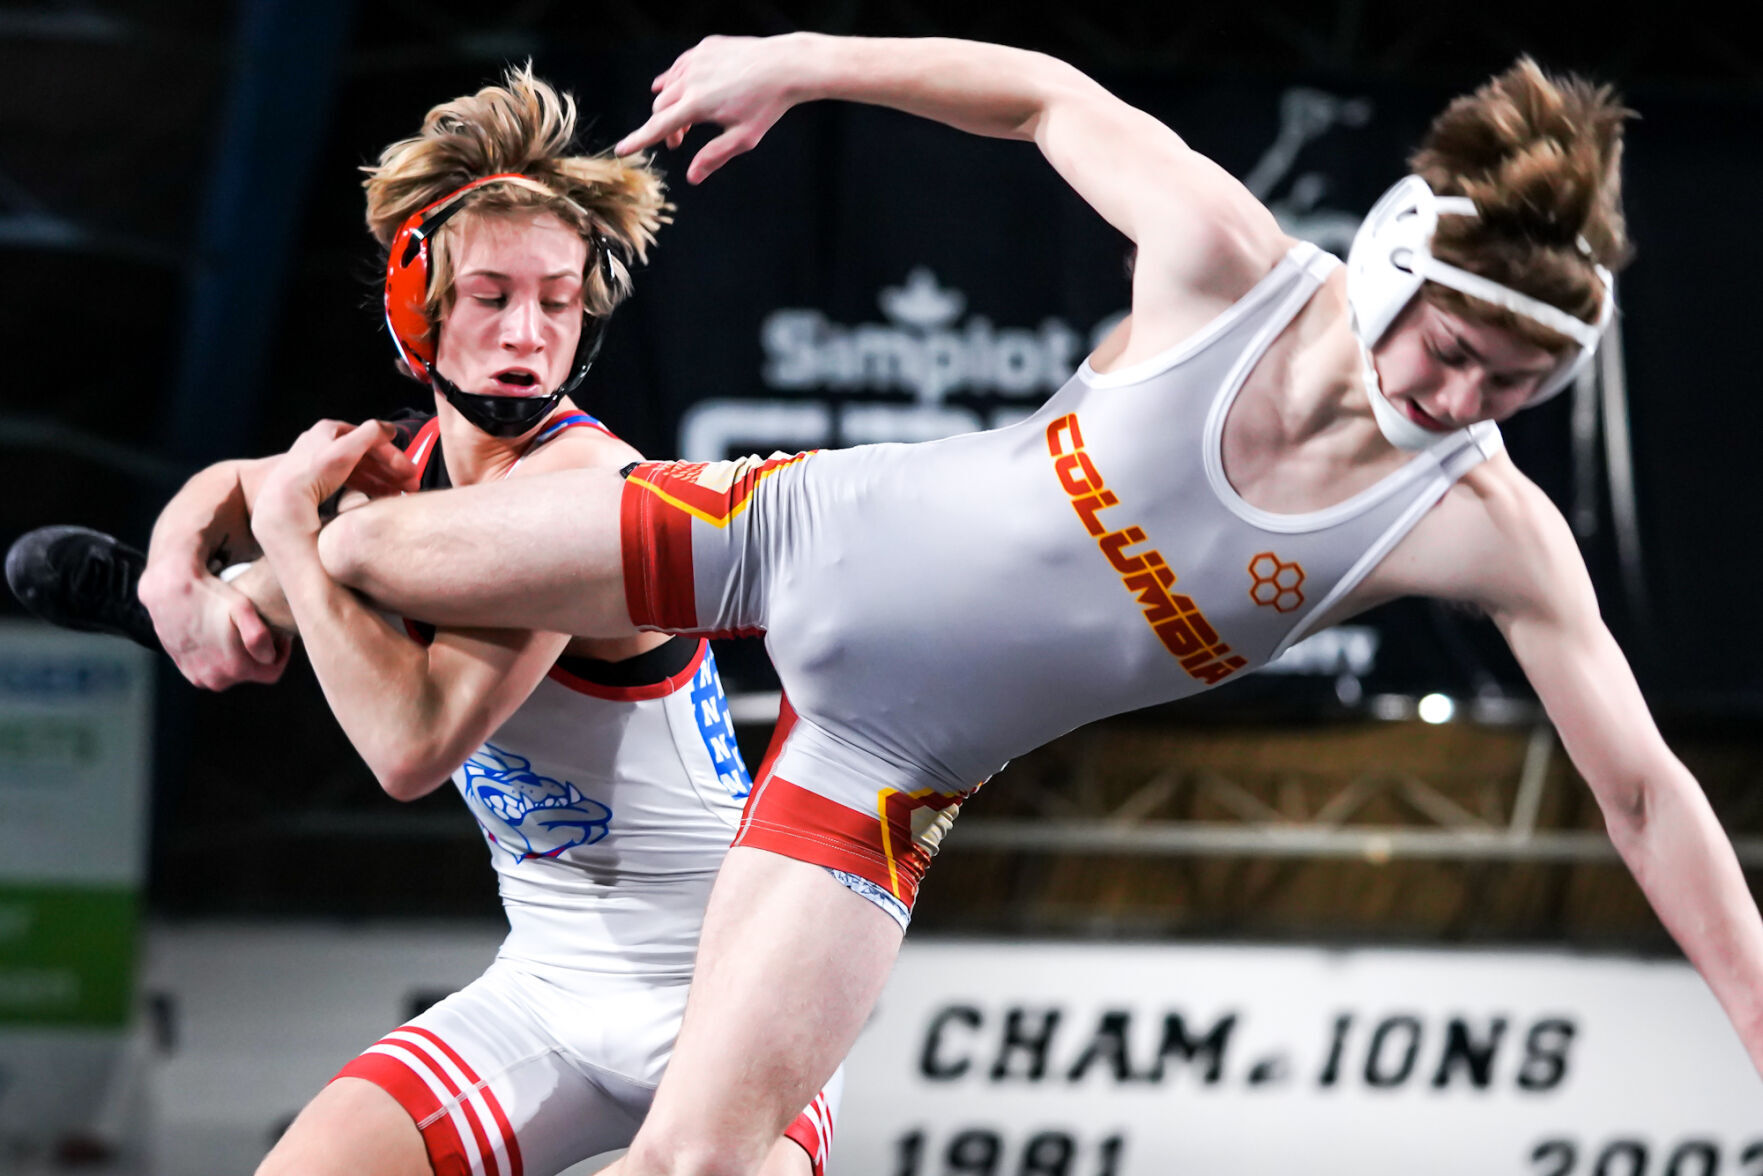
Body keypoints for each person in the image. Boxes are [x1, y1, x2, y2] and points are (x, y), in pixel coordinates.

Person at [250, 35, 1763, 1175]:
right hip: (786, 535)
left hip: (886, 768)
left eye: (1512, 386)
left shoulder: (1477, 524)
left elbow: (1640, 796)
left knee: (691, 1167)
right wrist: (802, 64)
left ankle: (227, 590)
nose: (1453, 399)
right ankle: (205, 601)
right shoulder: (1230, 265)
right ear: (1392, 264)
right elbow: (1044, 95)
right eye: (1448, 351)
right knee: (363, 548)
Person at [10, 66, 840, 1176]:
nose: (528, 334)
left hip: (733, 1014)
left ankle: (220, 606)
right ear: (423, 311)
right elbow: (251, 476)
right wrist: (170, 566)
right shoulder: (402, 468)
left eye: (556, 300)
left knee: (322, 559)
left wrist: (291, 543)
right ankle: (176, 613)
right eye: (493, 296)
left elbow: (411, 747)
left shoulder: (584, 488)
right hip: (547, 992)